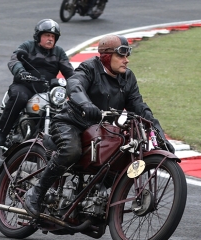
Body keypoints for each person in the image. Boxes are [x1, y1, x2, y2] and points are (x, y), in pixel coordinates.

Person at [23, 34, 175, 218]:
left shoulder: (127, 78)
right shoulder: (90, 67)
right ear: (106, 56)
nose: (126, 60)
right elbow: (75, 84)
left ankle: (92, 195)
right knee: (71, 151)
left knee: (122, 154)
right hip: (72, 122)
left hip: (102, 130)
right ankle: (36, 194)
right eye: (121, 55)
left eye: (127, 55)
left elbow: (140, 107)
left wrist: (159, 133)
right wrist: (86, 104)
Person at [0, 19, 74, 147]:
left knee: (65, 107)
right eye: (47, 35)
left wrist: (79, 82)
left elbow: (69, 71)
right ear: (38, 36)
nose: (50, 39)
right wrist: (21, 72)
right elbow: (14, 60)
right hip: (25, 85)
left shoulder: (59, 52)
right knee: (20, 97)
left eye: (53, 36)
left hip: (47, 90)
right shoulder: (27, 46)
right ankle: (2, 133)